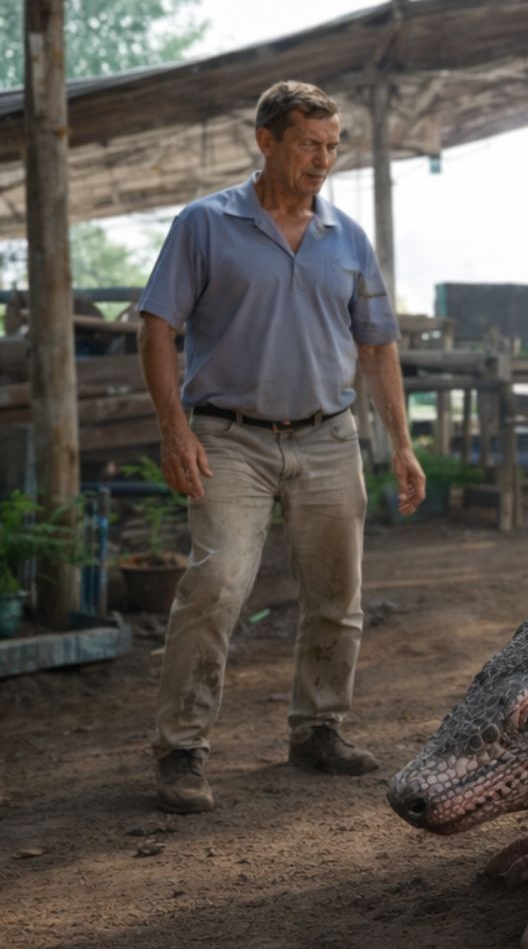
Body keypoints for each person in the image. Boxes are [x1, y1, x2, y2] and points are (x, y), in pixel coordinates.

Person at [135, 81, 427, 813]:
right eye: (308, 144)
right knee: (215, 586)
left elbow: (377, 346)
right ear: (266, 141)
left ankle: (319, 729)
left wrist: (402, 444)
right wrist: (173, 428)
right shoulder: (205, 224)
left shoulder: (347, 237)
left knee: (337, 595)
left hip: (329, 437)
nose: (322, 160)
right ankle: (181, 748)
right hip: (229, 438)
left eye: (332, 147)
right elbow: (157, 326)